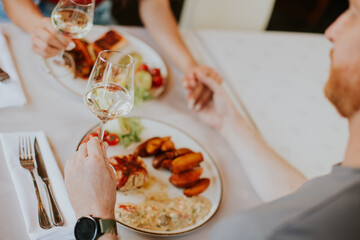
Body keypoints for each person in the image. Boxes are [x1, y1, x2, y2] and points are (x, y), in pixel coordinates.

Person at [65, 0, 360, 239]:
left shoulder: (257, 231)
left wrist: (96, 217)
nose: (332, 30)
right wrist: (229, 123)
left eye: (354, 13)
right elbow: (305, 199)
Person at [2, 0, 213, 108]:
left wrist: (190, 66)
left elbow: (155, 6)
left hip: (97, 15)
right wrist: (36, 27)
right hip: (28, 14)